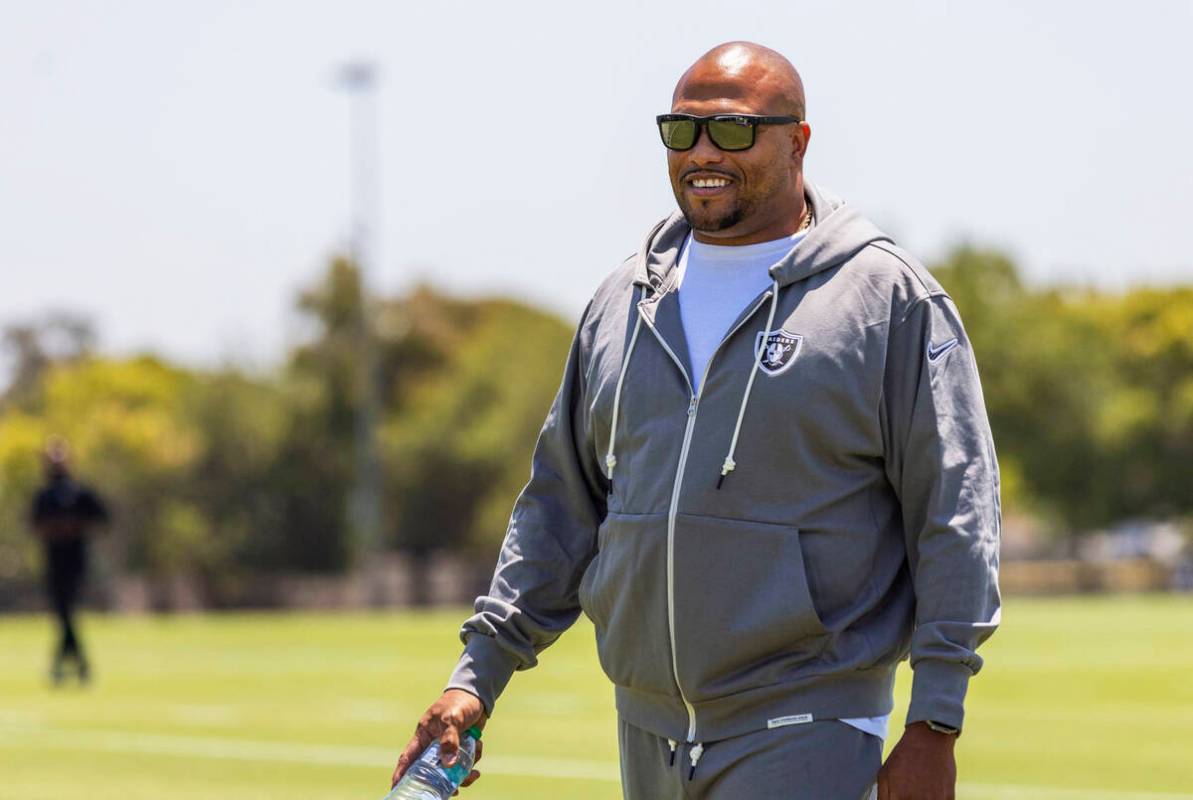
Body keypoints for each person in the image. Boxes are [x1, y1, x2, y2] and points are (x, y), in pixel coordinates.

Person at [392, 41, 1000, 799]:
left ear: (797, 141)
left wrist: (934, 722)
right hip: (646, 728)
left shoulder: (887, 299)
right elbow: (558, 507)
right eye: (681, 131)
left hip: (805, 721)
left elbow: (954, 511)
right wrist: (472, 681)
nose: (702, 152)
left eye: (733, 130)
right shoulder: (622, 300)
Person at [29, 438, 109, 686]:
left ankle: (64, 665)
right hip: (54, 560)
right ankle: (78, 664)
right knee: (64, 614)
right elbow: (36, 525)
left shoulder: (80, 492)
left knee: (67, 612)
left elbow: (102, 518)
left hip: (76, 560)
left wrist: (74, 527)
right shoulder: (43, 496)